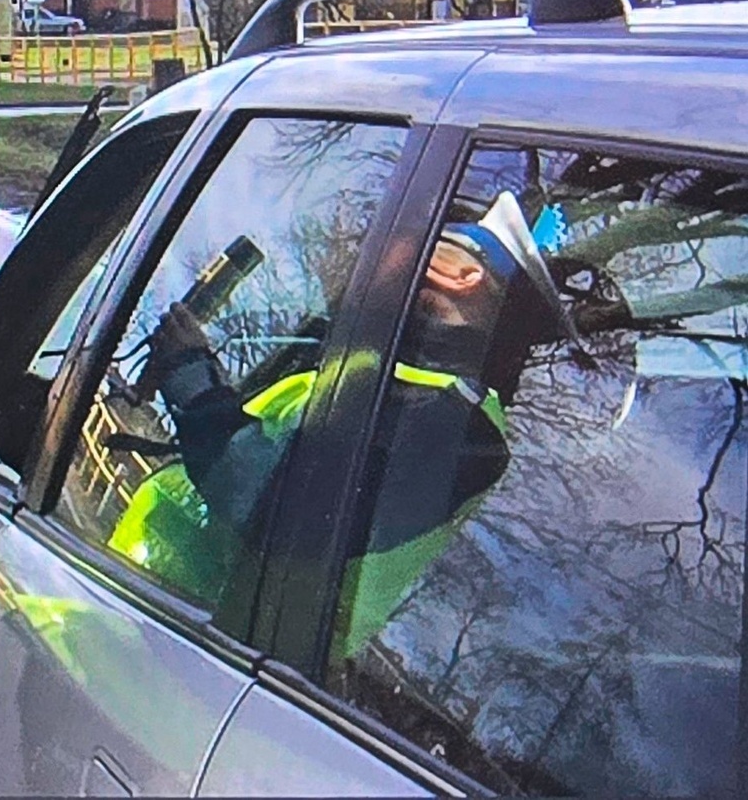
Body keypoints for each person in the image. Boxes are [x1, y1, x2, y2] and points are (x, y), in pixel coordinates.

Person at [107, 193, 571, 654]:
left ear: (457, 272)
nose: (380, 255)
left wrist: (193, 381)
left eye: (428, 243)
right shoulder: (382, 373)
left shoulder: (455, 426)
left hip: (197, 656)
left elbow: (274, 503)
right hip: (148, 620)